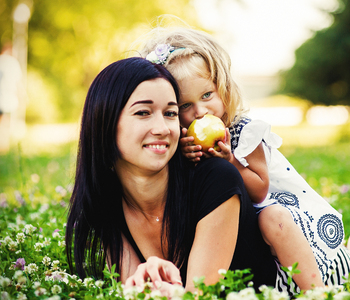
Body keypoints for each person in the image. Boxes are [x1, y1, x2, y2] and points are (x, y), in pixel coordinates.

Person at [138, 26, 350, 295]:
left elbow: (260, 189)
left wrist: (231, 162)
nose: (201, 112)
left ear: (223, 89)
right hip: (263, 254)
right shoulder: (181, 142)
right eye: (186, 105)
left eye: (207, 95)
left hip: (299, 247)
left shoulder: (244, 134)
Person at [64, 57, 278, 296]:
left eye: (170, 113)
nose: (163, 128)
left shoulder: (217, 179)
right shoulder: (105, 203)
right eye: (143, 112)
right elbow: (138, 294)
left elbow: (198, 296)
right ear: (104, 122)